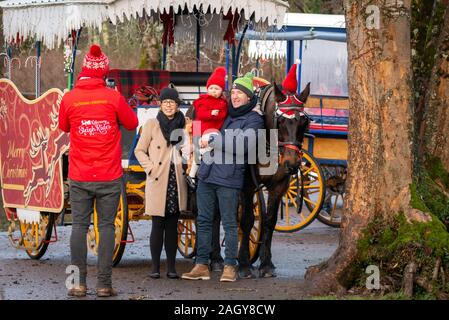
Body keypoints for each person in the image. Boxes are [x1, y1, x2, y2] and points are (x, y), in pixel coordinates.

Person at [59, 44, 138, 297]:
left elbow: (63, 127)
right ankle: (104, 285)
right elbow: (132, 122)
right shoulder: (113, 97)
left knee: (78, 227)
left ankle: (76, 284)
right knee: (105, 227)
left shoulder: (70, 97)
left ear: (83, 70)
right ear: (104, 71)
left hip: (80, 174)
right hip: (109, 174)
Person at [182, 72, 264, 282]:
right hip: (207, 174)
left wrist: (213, 139)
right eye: (233, 92)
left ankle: (229, 266)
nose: (235, 96)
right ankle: (201, 263)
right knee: (203, 220)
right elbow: (204, 121)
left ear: (248, 96)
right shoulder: (227, 113)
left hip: (229, 177)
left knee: (228, 222)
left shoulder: (254, 119)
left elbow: (243, 145)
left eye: (240, 93)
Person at [134, 86, 188, 280]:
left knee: (172, 226)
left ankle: (172, 268)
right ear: (160, 104)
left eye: (172, 102)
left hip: (176, 179)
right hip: (158, 178)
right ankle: (155, 267)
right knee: (157, 225)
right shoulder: (151, 124)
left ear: (177, 105)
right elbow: (139, 150)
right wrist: (150, 168)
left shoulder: (185, 124)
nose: (168, 106)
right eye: (165, 102)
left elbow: (193, 147)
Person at [186, 67, 228, 190]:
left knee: (212, 147)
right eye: (211, 88)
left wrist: (217, 114)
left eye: (217, 89)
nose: (213, 91)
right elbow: (200, 114)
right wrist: (211, 114)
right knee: (203, 149)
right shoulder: (203, 100)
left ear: (221, 91)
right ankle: (193, 174)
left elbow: (223, 115)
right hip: (203, 130)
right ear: (207, 88)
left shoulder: (223, 103)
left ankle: (197, 173)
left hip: (214, 130)